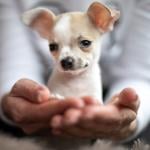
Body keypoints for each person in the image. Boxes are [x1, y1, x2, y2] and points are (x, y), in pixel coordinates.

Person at [0, 0, 150, 143]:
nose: (66, 59)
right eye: (54, 47)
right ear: (43, 29)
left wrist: (127, 119)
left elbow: (140, 75)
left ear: (103, 21)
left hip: (113, 98)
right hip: (39, 129)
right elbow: (13, 67)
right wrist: (11, 102)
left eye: (84, 43)